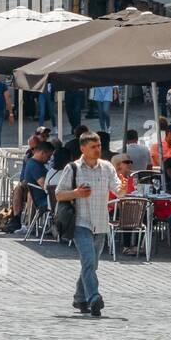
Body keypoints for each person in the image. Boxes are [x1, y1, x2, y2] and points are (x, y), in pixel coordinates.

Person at [54, 132, 120, 317]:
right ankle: (94, 297)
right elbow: (59, 194)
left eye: (99, 145)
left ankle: (79, 297)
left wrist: (122, 188)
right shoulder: (73, 168)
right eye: (93, 146)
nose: (98, 149)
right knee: (89, 261)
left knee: (91, 264)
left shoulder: (107, 167)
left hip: (101, 223)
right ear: (83, 148)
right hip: (80, 223)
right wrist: (76, 193)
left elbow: (118, 189)